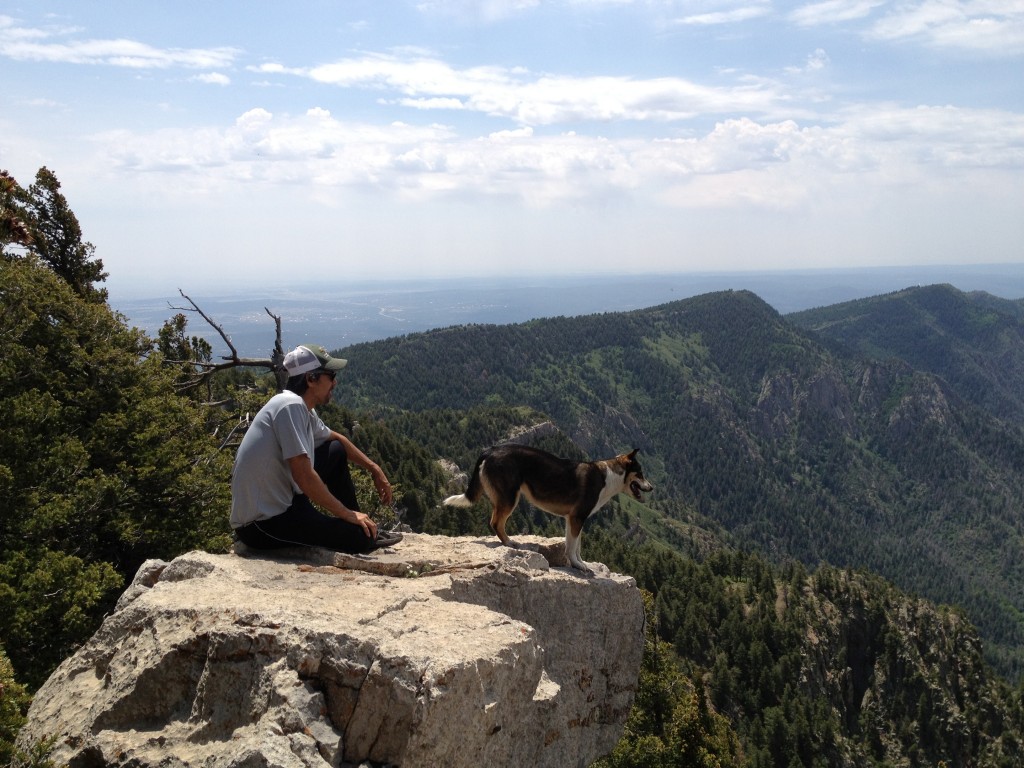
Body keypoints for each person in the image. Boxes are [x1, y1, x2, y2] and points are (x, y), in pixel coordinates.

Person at [230, 343, 402, 553]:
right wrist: (346, 514)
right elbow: (303, 475)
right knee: (357, 540)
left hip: (285, 501)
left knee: (336, 450)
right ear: (311, 379)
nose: (335, 382)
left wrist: (374, 468)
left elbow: (336, 440)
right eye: (331, 375)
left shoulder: (301, 408)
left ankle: (363, 526)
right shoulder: (290, 406)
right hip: (261, 524)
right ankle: (361, 530)